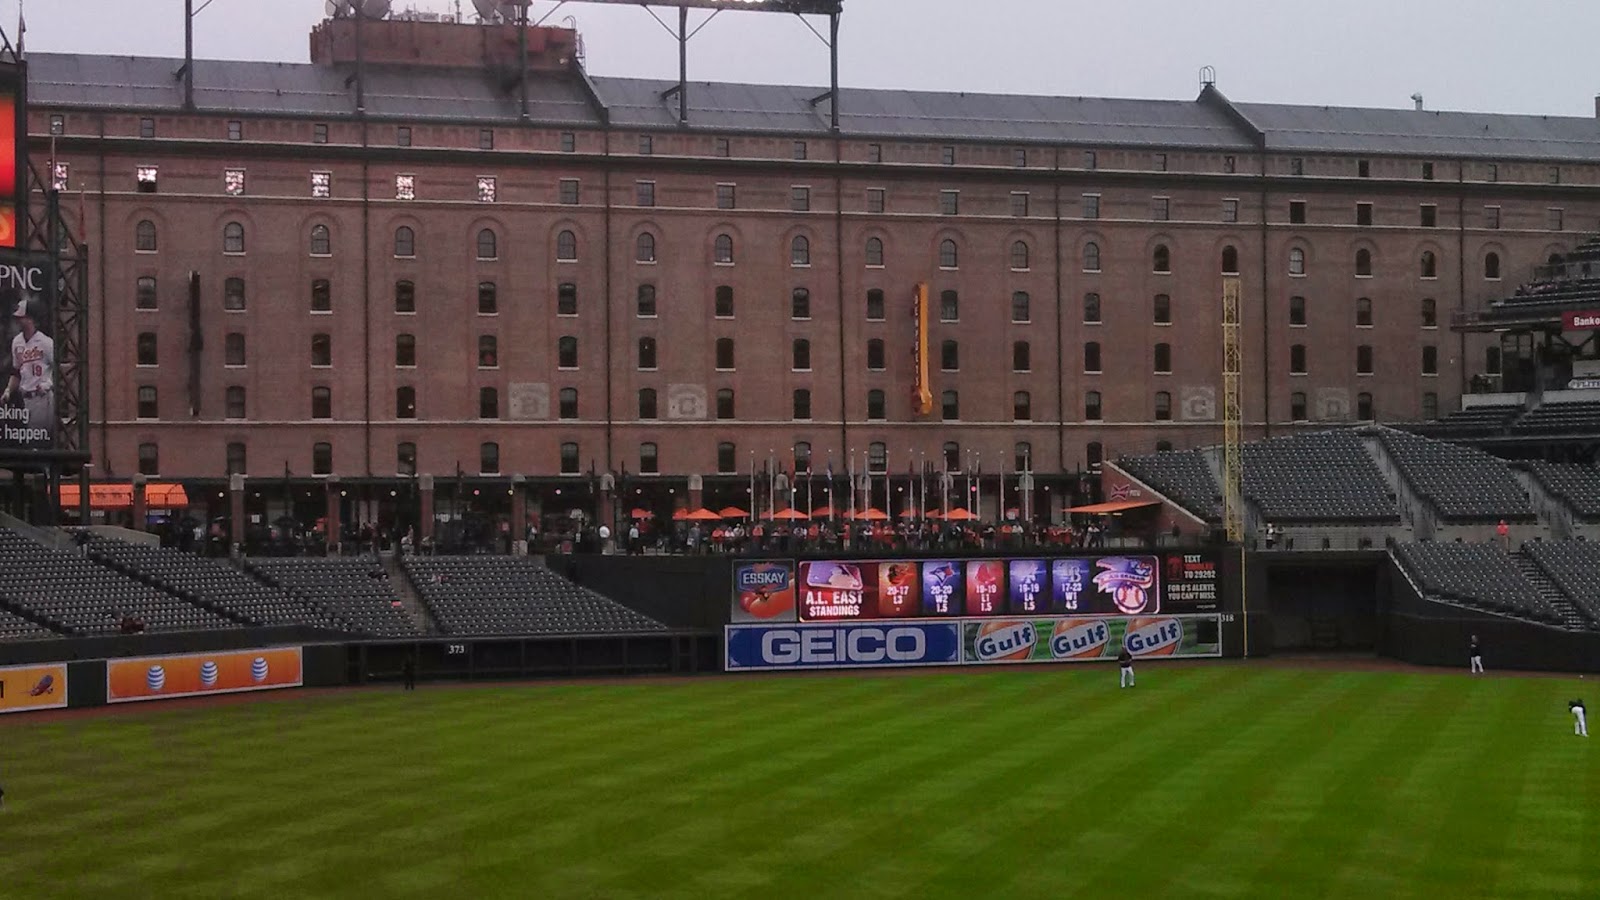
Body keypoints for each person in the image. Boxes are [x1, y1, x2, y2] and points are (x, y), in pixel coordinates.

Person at [1, 296, 54, 449]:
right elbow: (16, 371)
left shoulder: (46, 342)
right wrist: (8, 391)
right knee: (26, 441)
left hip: (42, 397)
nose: (18, 320)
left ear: (30, 319)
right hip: (24, 399)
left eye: (21, 317)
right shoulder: (17, 341)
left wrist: (48, 383)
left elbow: (57, 368)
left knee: (38, 441)